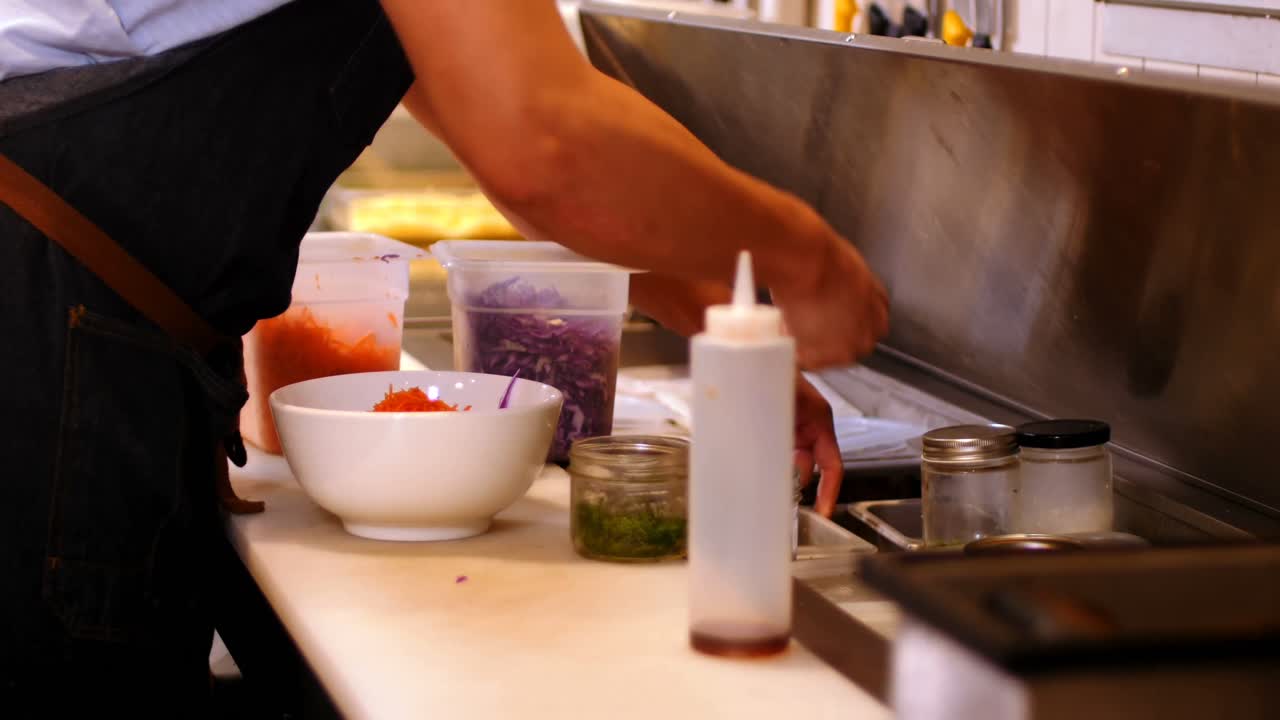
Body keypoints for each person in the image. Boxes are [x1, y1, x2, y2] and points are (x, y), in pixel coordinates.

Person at [0, 0, 888, 712]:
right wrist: (805, 256)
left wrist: (729, 325)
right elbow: (540, 144)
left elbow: (516, 113)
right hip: (38, 331)